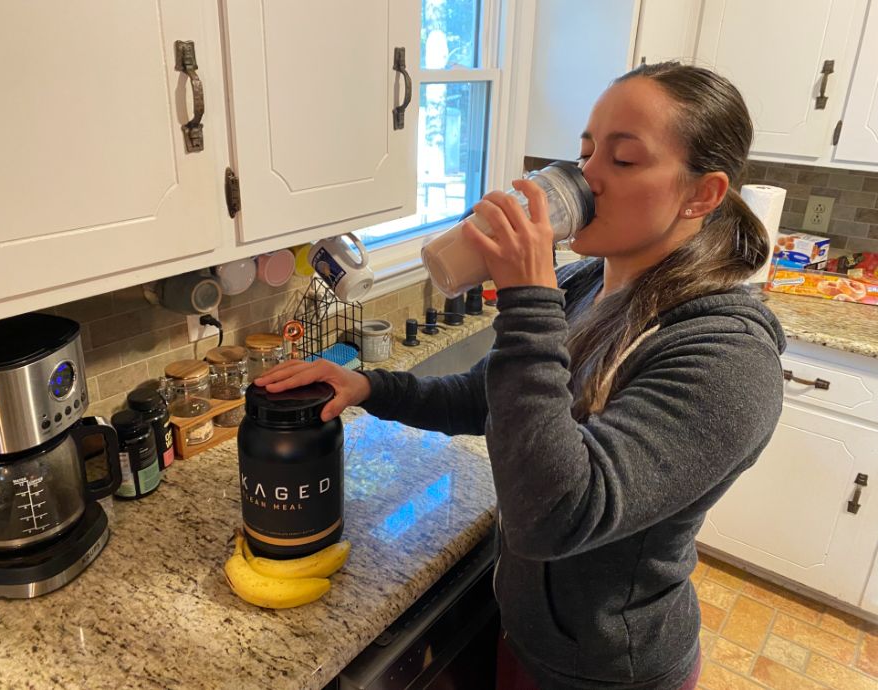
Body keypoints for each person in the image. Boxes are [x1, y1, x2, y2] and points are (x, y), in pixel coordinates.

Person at [257, 62, 785, 690]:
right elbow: (488, 397)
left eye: (623, 161)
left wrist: (527, 298)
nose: (585, 179)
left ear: (702, 193)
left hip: (606, 672)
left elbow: (555, 516)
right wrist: (372, 387)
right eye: (585, 154)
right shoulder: (590, 283)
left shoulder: (727, 357)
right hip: (529, 634)